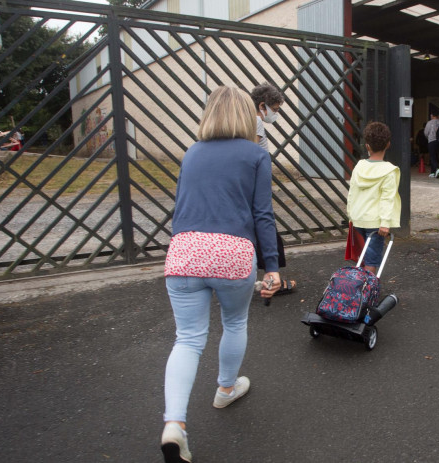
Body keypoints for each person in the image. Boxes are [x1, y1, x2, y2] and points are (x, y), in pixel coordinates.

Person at [160, 85, 282, 463]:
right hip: (232, 253)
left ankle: (174, 425)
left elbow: (181, 205)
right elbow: (262, 214)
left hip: (184, 251)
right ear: (249, 114)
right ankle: (226, 388)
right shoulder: (256, 154)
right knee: (234, 322)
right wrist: (272, 268)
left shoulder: (191, 153)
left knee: (188, 339)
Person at [250, 82, 296, 295]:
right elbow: (250, 154)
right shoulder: (256, 123)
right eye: (275, 110)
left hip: (253, 187)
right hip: (255, 188)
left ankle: (267, 281)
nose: (275, 115)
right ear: (262, 106)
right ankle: (271, 283)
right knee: (265, 235)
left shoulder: (247, 121)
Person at [346, 121, 401, 275]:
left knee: (361, 256)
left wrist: (350, 214)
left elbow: (353, 192)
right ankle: (367, 292)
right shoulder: (390, 171)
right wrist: (385, 222)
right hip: (375, 223)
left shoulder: (359, 166)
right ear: (388, 144)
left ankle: (358, 288)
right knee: (371, 259)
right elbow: (387, 198)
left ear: (367, 146)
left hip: (358, 218)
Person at [250, 82, 284, 153]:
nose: (275, 113)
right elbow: (250, 151)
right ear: (262, 106)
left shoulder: (250, 119)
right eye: (274, 109)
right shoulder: (257, 121)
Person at [424, 110, 439, 179]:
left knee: (432, 156)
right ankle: (433, 172)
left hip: (432, 141)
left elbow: (426, 133)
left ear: (432, 116)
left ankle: (437, 169)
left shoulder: (429, 123)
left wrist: (429, 137)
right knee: (436, 156)